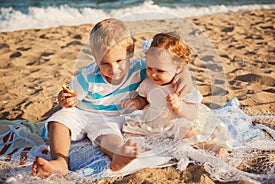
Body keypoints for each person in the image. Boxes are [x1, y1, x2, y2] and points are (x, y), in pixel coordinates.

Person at [31, 19, 193, 178]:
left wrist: (185, 75)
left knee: (110, 137)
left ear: (130, 52)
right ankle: (60, 161)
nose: (114, 69)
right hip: (81, 113)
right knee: (59, 121)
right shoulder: (88, 76)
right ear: (96, 59)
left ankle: (117, 156)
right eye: (105, 63)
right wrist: (64, 99)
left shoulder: (139, 69)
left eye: (119, 61)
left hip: (109, 117)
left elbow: (167, 65)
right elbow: (67, 94)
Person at [121, 32, 233, 158]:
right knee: (130, 130)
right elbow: (144, 100)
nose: (153, 74)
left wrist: (180, 106)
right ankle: (142, 149)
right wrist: (136, 102)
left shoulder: (180, 87)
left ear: (178, 68)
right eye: (149, 68)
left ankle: (214, 148)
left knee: (192, 134)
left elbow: (193, 113)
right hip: (156, 121)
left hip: (178, 121)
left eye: (160, 70)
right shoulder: (147, 83)